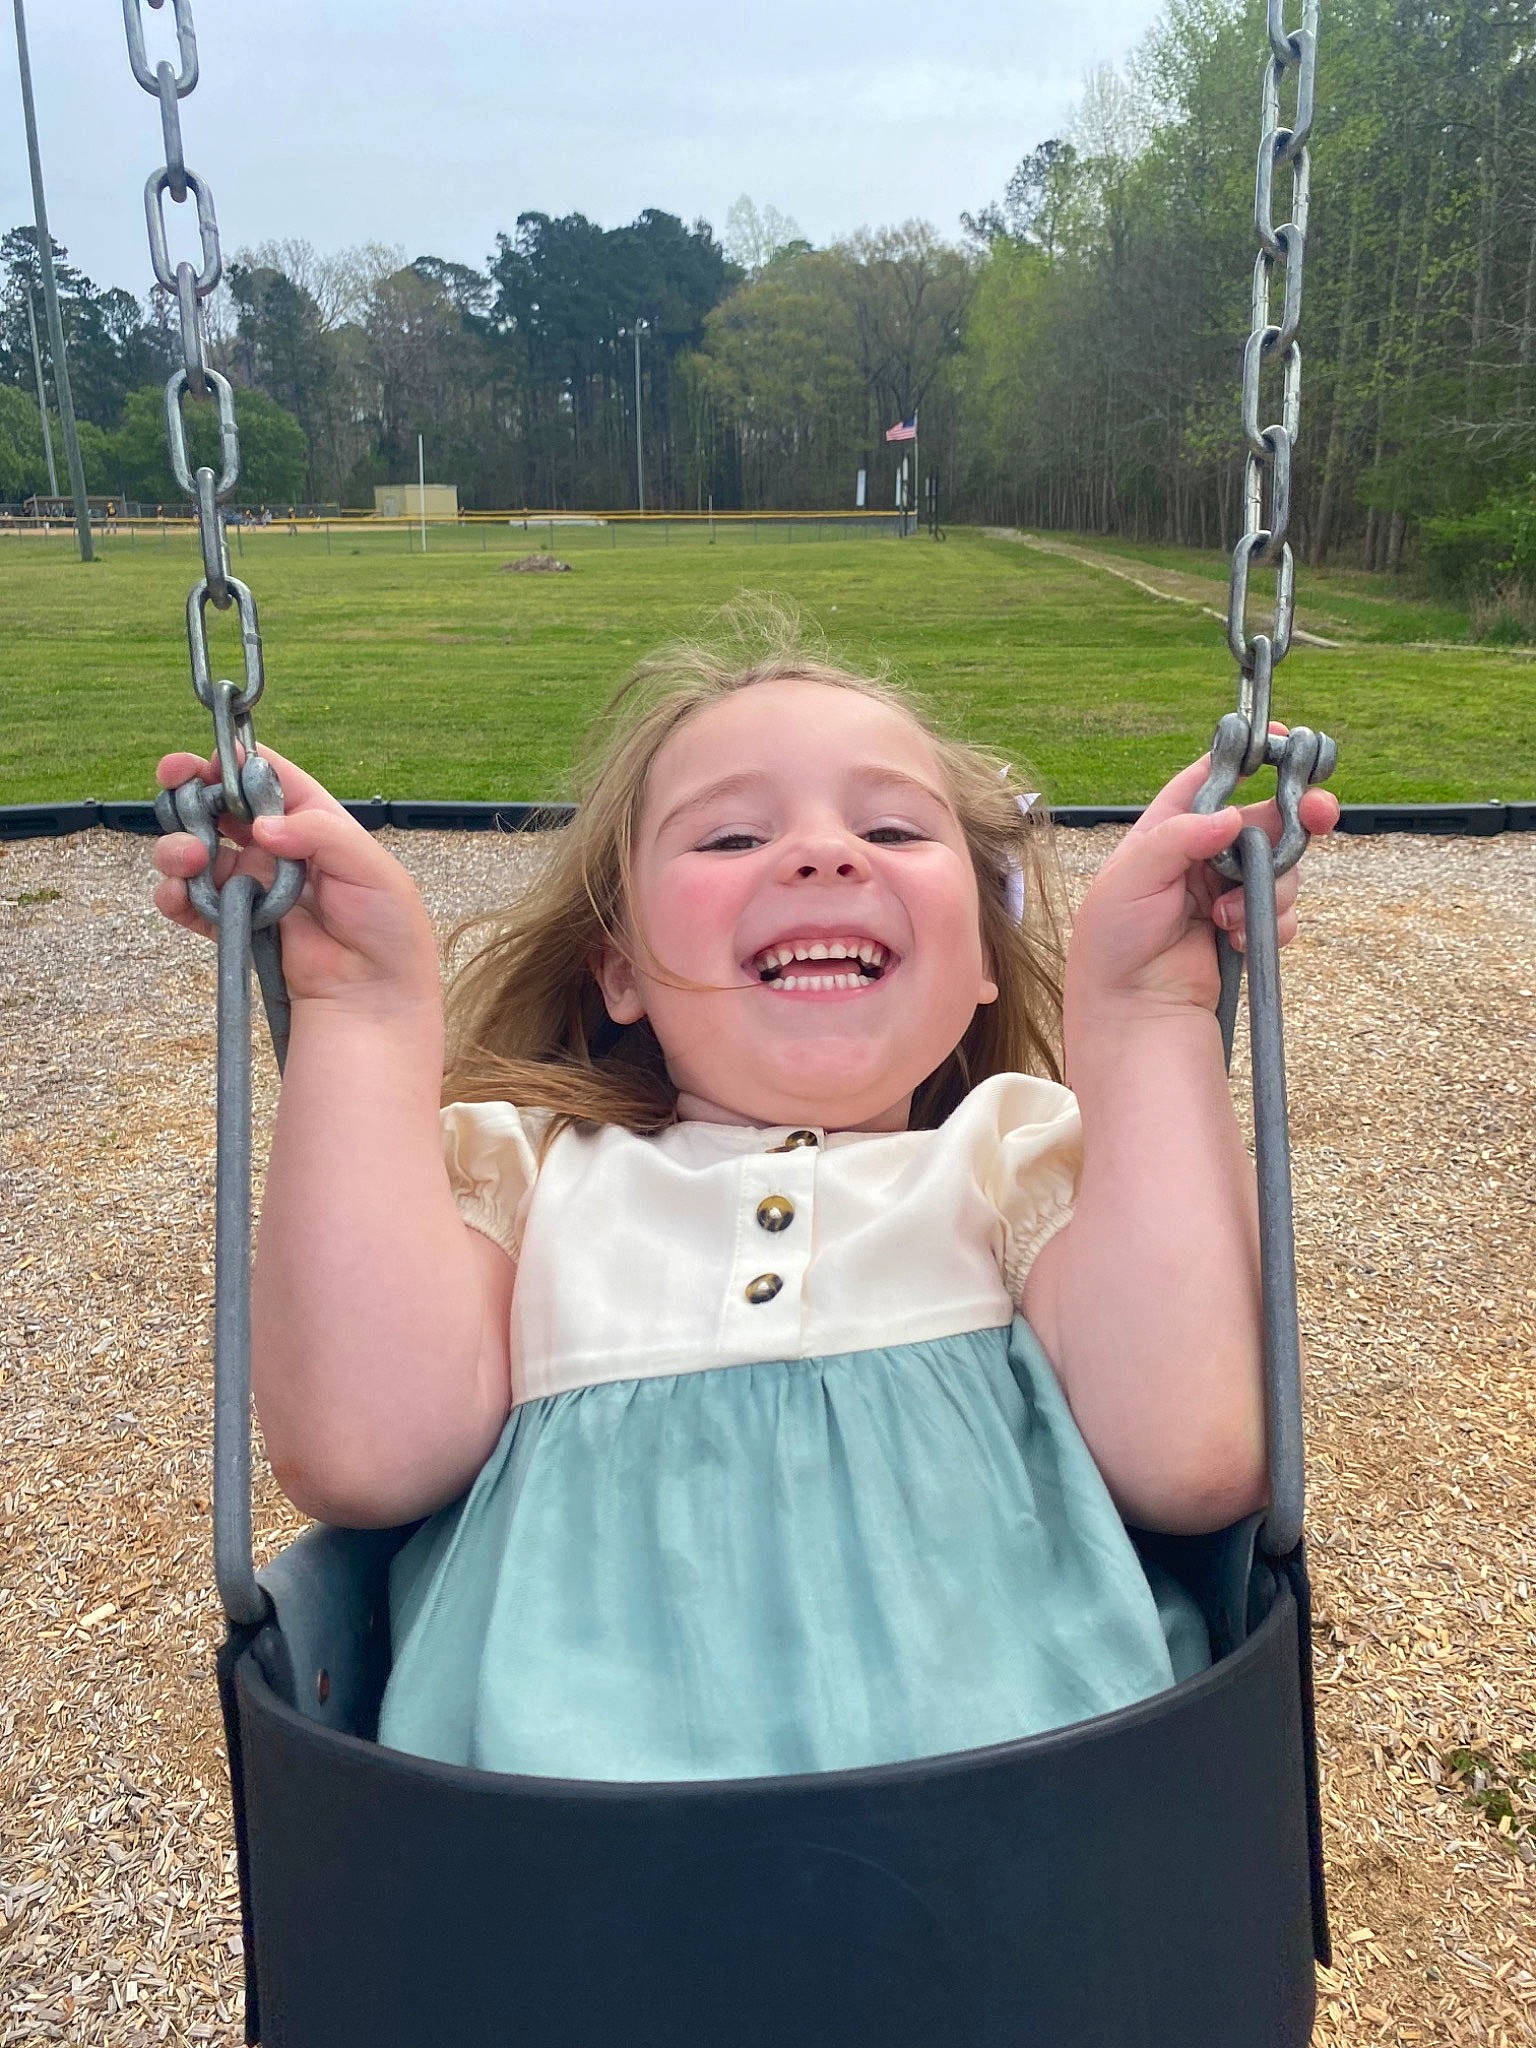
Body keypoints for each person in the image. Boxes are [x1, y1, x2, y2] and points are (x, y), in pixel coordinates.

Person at [149, 623, 1338, 1782]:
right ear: (617, 965)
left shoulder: (1009, 1170)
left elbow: (1194, 1451)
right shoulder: (539, 1181)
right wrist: (361, 1006)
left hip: (1028, 1849)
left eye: (888, 825)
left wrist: (1151, 1014)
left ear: (983, 954)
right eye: (727, 837)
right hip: (570, 1872)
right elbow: (361, 1448)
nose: (825, 854)